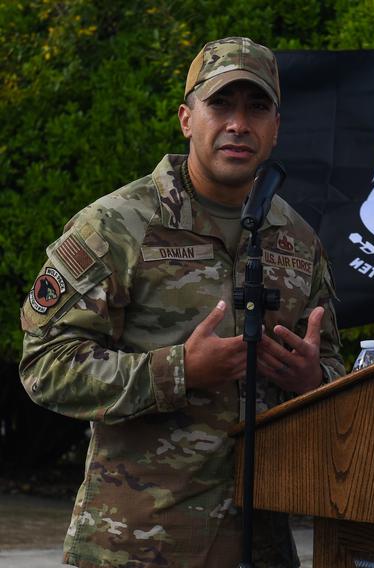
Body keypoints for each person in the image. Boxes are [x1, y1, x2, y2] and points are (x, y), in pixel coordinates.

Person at [19, 37, 345, 567]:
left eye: (257, 107)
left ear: (276, 128)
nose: (239, 123)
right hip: (136, 545)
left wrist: (315, 381)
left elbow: (333, 365)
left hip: (261, 548)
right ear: (187, 118)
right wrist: (177, 371)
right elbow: (44, 366)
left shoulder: (297, 240)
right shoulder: (116, 227)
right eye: (221, 104)